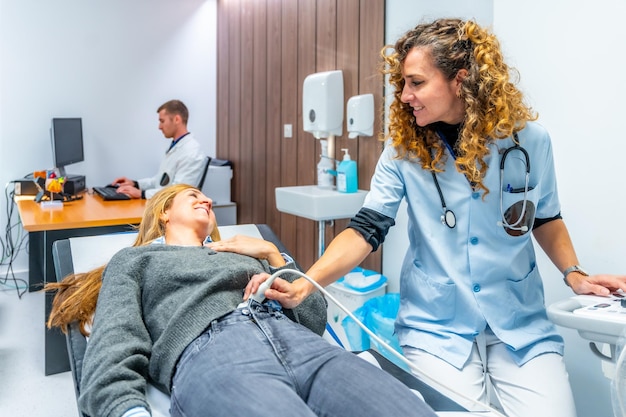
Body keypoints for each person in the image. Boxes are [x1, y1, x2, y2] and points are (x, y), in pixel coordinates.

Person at [244, 18, 626, 417]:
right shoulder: (403, 151)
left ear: (460, 80)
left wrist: (574, 273)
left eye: (417, 82)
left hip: (518, 321)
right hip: (437, 325)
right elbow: (366, 229)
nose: (406, 95)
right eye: (404, 84)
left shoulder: (529, 141)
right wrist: (306, 284)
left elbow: (544, 217)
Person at [46, 184, 437, 417]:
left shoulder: (241, 252)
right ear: (165, 212)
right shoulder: (137, 260)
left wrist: (272, 254)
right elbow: (115, 338)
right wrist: (125, 409)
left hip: (303, 347)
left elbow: (316, 320)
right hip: (214, 353)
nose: (207, 200)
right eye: (193, 196)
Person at [112, 99, 208, 199]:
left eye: (162, 121)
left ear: (177, 120)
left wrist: (142, 194)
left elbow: (178, 192)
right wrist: (135, 184)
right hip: (162, 205)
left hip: (173, 209)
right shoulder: (176, 146)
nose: (159, 127)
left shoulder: (191, 152)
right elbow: (159, 182)